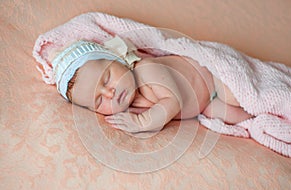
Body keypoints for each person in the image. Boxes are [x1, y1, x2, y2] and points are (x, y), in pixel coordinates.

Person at [50, 36, 252, 133]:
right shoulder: (128, 104)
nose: (110, 93)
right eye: (99, 99)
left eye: (106, 78)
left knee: (239, 96)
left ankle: (260, 104)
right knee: (237, 118)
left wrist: (141, 122)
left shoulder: (146, 70)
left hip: (213, 78)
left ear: (117, 59)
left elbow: (173, 101)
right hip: (205, 104)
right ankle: (260, 117)